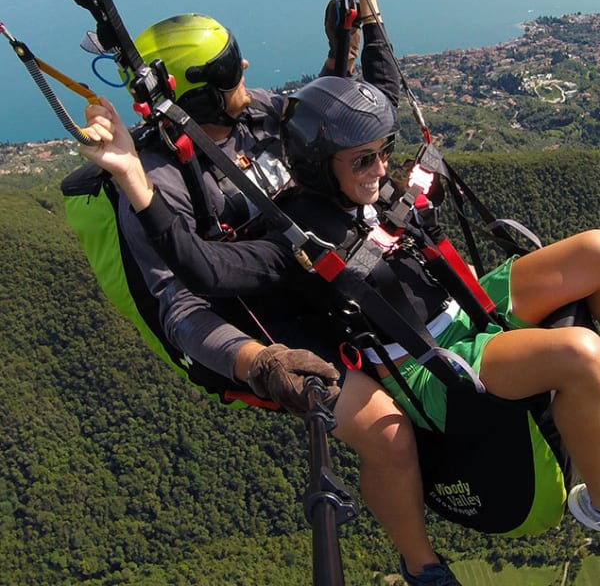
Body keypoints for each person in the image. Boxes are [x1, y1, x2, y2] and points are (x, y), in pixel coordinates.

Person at [80, 71, 600, 584]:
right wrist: (133, 178)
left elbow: (357, 99)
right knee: (580, 352)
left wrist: (364, 16)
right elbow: (202, 268)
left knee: (596, 249)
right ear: (320, 166)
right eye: (363, 159)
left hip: (469, 307)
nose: (380, 167)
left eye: (384, 151)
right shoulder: (291, 243)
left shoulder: (366, 195)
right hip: (430, 366)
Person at [81, 0, 462, 583]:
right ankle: (423, 568)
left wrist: (350, 38)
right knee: (387, 435)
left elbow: (319, 131)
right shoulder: (157, 186)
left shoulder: (254, 113)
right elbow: (180, 305)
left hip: (321, 277)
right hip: (262, 320)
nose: (247, 67)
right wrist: (259, 362)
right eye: (232, 68)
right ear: (201, 95)